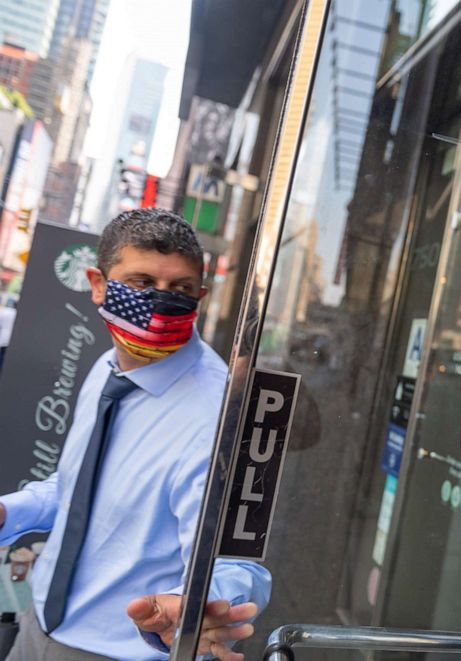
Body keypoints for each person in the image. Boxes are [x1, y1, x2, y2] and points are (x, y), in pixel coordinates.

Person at [0, 209, 271, 660]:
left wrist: (200, 605)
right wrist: (11, 512)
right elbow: (79, 491)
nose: (160, 301)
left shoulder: (219, 416)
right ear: (98, 284)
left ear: (200, 295)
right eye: (142, 282)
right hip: (37, 626)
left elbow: (239, 560)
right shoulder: (108, 368)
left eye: (180, 289)